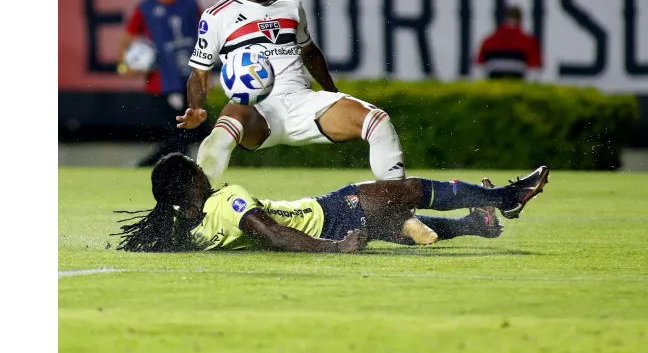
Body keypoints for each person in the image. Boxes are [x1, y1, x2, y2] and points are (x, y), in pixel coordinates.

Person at [176, 0, 406, 183]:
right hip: (257, 110)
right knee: (225, 127)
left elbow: (310, 52)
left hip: (303, 103)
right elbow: (199, 73)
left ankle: (394, 213)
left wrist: (332, 93)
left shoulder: (291, 6)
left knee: (378, 120)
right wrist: (197, 107)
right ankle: (193, 210)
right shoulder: (216, 16)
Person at [113, 153, 550, 253]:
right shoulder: (227, 199)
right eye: (196, 168)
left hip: (335, 225)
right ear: (191, 179)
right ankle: (506, 198)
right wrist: (335, 247)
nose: (204, 170)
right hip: (332, 213)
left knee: (402, 220)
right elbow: (273, 231)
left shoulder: (192, 232)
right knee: (409, 189)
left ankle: (478, 223)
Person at [117, 0, 208, 167]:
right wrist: (125, 65)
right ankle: (147, 167)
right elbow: (126, 41)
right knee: (181, 134)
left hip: (191, 79)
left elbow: (205, 31)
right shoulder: (146, 7)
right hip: (163, 82)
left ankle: (151, 166)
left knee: (196, 131)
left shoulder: (188, 1)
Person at [474, 6, 543, 80]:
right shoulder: (529, 41)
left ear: (504, 19)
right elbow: (535, 71)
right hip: (518, 87)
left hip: (494, 87)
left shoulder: (488, 41)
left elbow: (479, 68)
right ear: (520, 19)